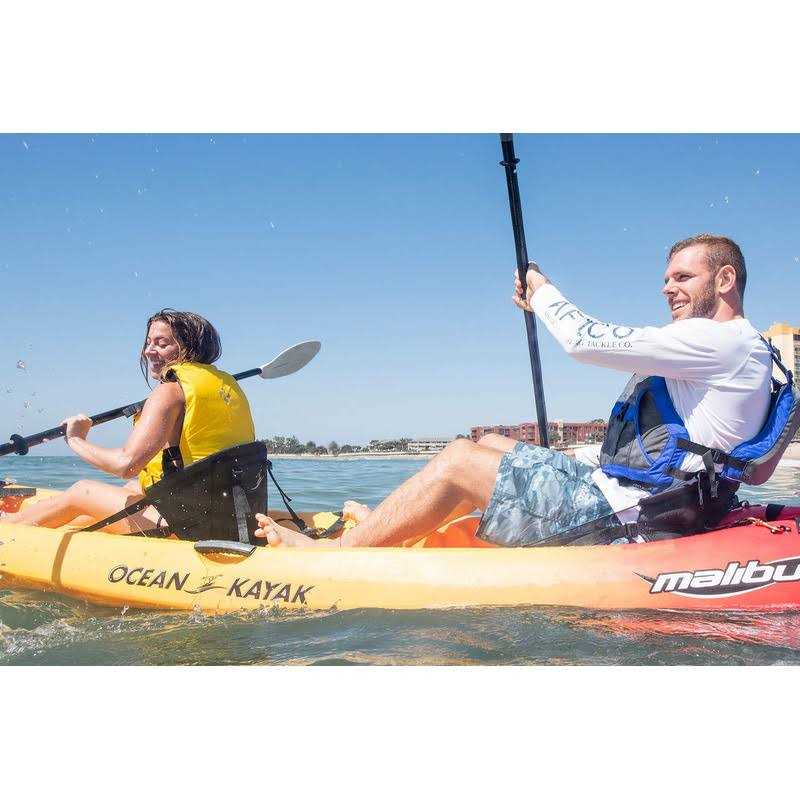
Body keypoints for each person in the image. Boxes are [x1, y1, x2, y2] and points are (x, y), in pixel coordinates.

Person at [256, 233, 777, 548]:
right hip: (653, 497)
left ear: (725, 279)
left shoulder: (717, 339)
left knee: (460, 460)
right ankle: (398, 527)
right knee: (490, 444)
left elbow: (583, 340)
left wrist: (541, 291)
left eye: (683, 277)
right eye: (667, 278)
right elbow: (756, 470)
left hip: (633, 516)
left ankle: (337, 553)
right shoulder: (760, 354)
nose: (667, 288)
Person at [1, 309, 255, 532]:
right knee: (133, 489)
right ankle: (39, 520)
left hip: (191, 525)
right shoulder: (225, 387)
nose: (148, 350)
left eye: (162, 343)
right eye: (148, 342)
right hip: (227, 515)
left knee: (82, 491)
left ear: (189, 348)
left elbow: (126, 465)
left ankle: (11, 528)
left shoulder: (169, 391)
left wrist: (76, 439)